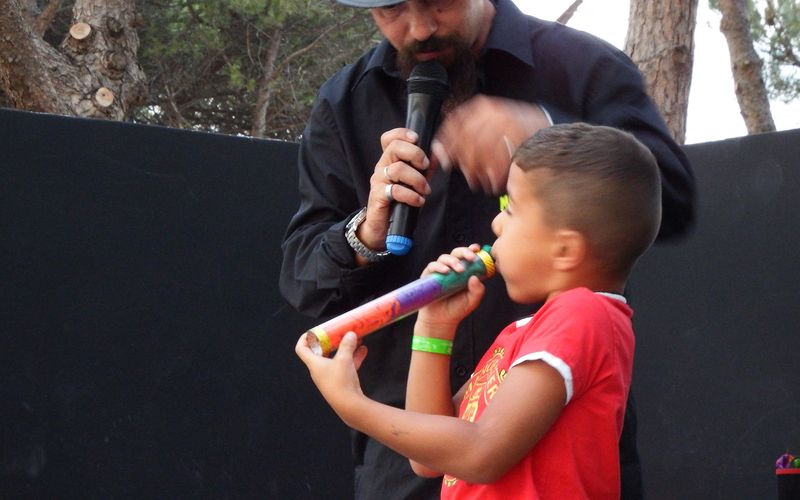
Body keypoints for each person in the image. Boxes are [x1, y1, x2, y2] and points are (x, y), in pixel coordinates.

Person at [280, 0, 695, 496]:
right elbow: (302, 278)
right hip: (402, 463)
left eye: (439, 1)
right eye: (391, 9)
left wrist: (550, 135)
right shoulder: (345, 101)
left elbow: (671, 197)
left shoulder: (583, 66)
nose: (419, 28)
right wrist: (368, 231)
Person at [296, 123, 662, 499]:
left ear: (565, 250)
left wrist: (355, 407)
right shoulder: (528, 333)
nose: (496, 223)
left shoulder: (583, 315)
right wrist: (434, 327)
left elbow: (481, 452)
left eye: (511, 209)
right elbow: (430, 461)